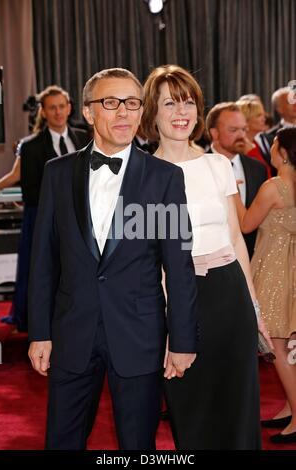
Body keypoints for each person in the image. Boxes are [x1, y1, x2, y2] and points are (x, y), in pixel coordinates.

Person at [27, 68, 200, 450]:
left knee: (137, 445)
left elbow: (179, 265)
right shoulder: (57, 173)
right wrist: (39, 331)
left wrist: (183, 339)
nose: (124, 112)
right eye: (111, 102)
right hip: (72, 332)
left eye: (133, 103)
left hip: (139, 333)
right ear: (88, 112)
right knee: (61, 440)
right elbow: (42, 261)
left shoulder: (164, 177)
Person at [140, 64, 272, 450]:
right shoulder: (142, 174)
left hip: (229, 295)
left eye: (188, 103)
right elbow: (151, 259)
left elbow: (234, 238)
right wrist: (165, 326)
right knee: (191, 410)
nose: (181, 113)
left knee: (238, 407)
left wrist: (255, 307)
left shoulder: (218, 165)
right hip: (178, 300)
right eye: (169, 104)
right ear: (152, 112)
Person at [0, 85, 90, 332]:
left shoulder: (84, 137)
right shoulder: (30, 146)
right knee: (40, 269)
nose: (59, 112)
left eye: (62, 106)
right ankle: (36, 320)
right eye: (52, 108)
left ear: (69, 108)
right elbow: (16, 175)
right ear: (44, 111)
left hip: (81, 218)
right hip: (44, 217)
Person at [235, 127, 296, 444]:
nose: (270, 148)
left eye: (273, 144)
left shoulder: (274, 186)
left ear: (283, 153)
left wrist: (232, 193)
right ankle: (289, 407)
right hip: (292, 267)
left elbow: (246, 223)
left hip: (273, 270)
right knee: (288, 346)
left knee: (278, 347)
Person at [206, 102, 267, 258]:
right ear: (214, 133)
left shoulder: (258, 168)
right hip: (211, 259)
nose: (241, 135)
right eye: (233, 130)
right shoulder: (198, 167)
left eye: (243, 129)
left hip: (252, 257)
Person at [236, 99, 273, 178]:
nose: (264, 119)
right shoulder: (239, 145)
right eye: (258, 115)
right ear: (246, 120)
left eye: (263, 115)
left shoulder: (255, 143)